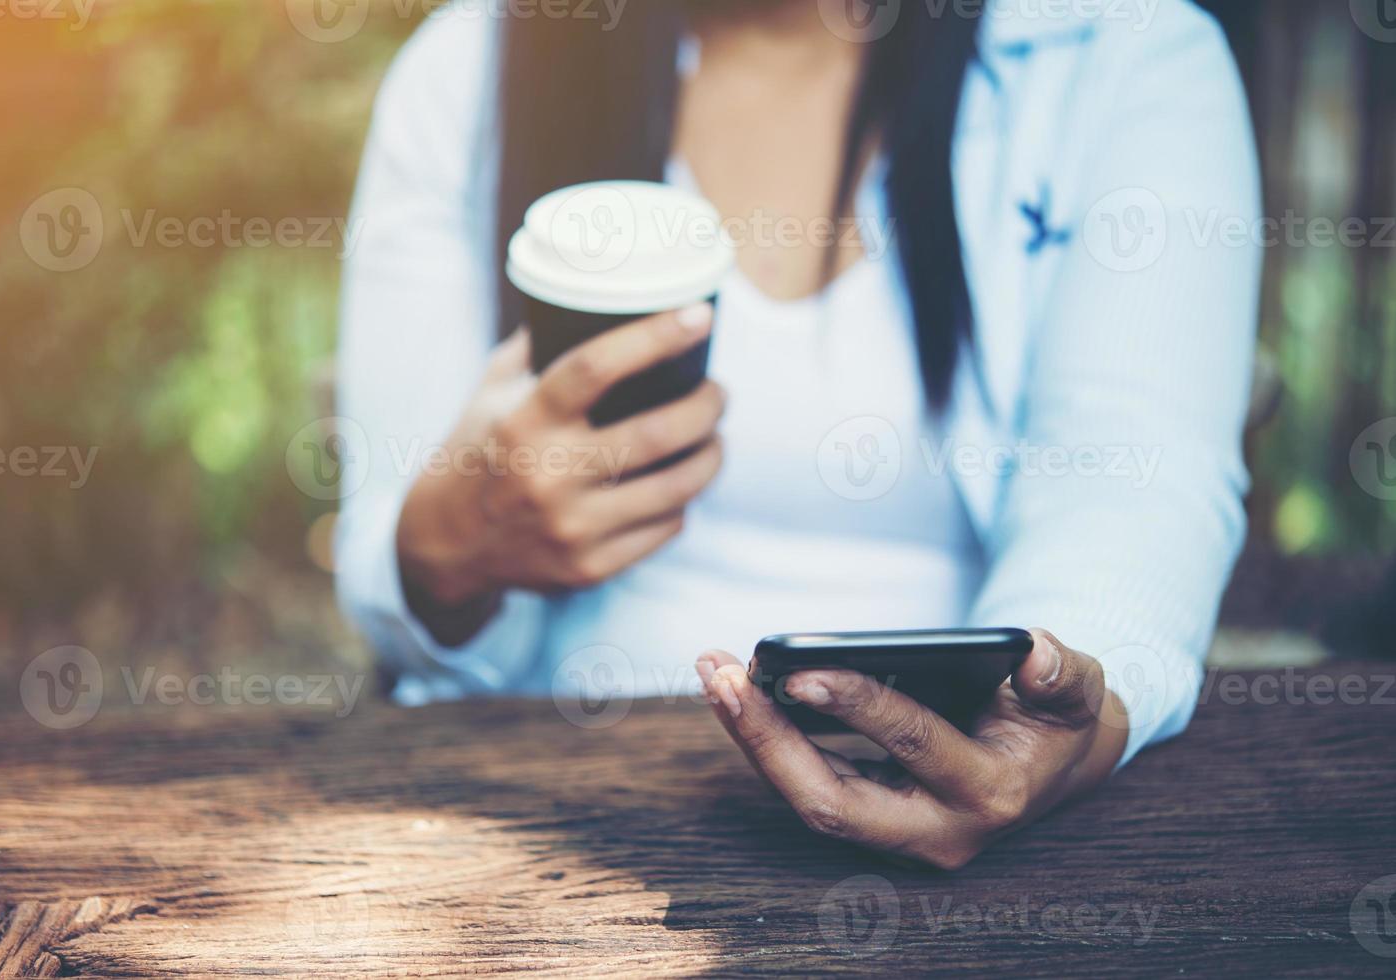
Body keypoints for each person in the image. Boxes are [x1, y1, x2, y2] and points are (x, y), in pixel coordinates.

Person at [335, 0, 1260, 868]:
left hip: (979, 843)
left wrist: (1033, 735)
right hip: (535, 806)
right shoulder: (469, 68)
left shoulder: (1122, 53)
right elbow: (395, 531)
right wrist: (445, 550)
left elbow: (1132, 480)